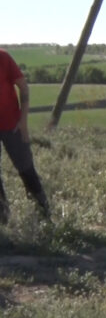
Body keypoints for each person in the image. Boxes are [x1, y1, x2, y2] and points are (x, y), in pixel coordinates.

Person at [0, 48, 50, 224]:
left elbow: (23, 86)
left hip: (12, 125)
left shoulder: (3, 57)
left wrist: (23, 121)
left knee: (26, 168)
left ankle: (43, 218)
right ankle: (3, 221)